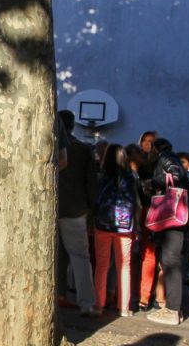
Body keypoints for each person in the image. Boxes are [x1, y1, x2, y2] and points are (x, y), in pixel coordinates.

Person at [146, 137, 189, 326]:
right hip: (178, 216)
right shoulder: (173, 158)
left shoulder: (166, 158)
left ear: (155, 149)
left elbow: (174, 176)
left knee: (170, 260)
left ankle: (173, 309)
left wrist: (155, 182)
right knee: (170, 259)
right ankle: (174, 308)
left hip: (171, 216)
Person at [56, 110, 99, 316]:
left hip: (53, 207)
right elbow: (91, 183)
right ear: (72, 126)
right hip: (75, 209)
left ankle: (59, 294)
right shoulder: (83, 149)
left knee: (56, 255)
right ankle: (86, 303)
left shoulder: (50, 148)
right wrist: (91, 209)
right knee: (80, 257)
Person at [92, 143, 140, 317]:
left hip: (103, 223)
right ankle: (124, 307)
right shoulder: (131, 178)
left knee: (102, 265)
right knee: (124, 266)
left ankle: (98, 304)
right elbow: (136, 202)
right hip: (125, 225)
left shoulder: (101, 177)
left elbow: (95, 200)